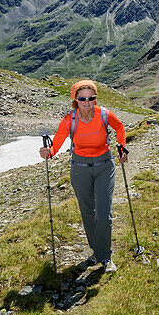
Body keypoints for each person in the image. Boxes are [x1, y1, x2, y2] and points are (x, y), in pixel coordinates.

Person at [39, 79, 128, 272]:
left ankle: (105, 256)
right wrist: (49, 152)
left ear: (95, 98)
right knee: (88, 213)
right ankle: (97, 251)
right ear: (75, 100)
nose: (87, 102)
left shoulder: (105, 115)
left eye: (91, 98)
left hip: (104, 165)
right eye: (82, 98)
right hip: (80, 169)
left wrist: (121, 147)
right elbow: (57, 143)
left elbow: (120, 128)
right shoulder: (69, 120)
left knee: (103, 214)